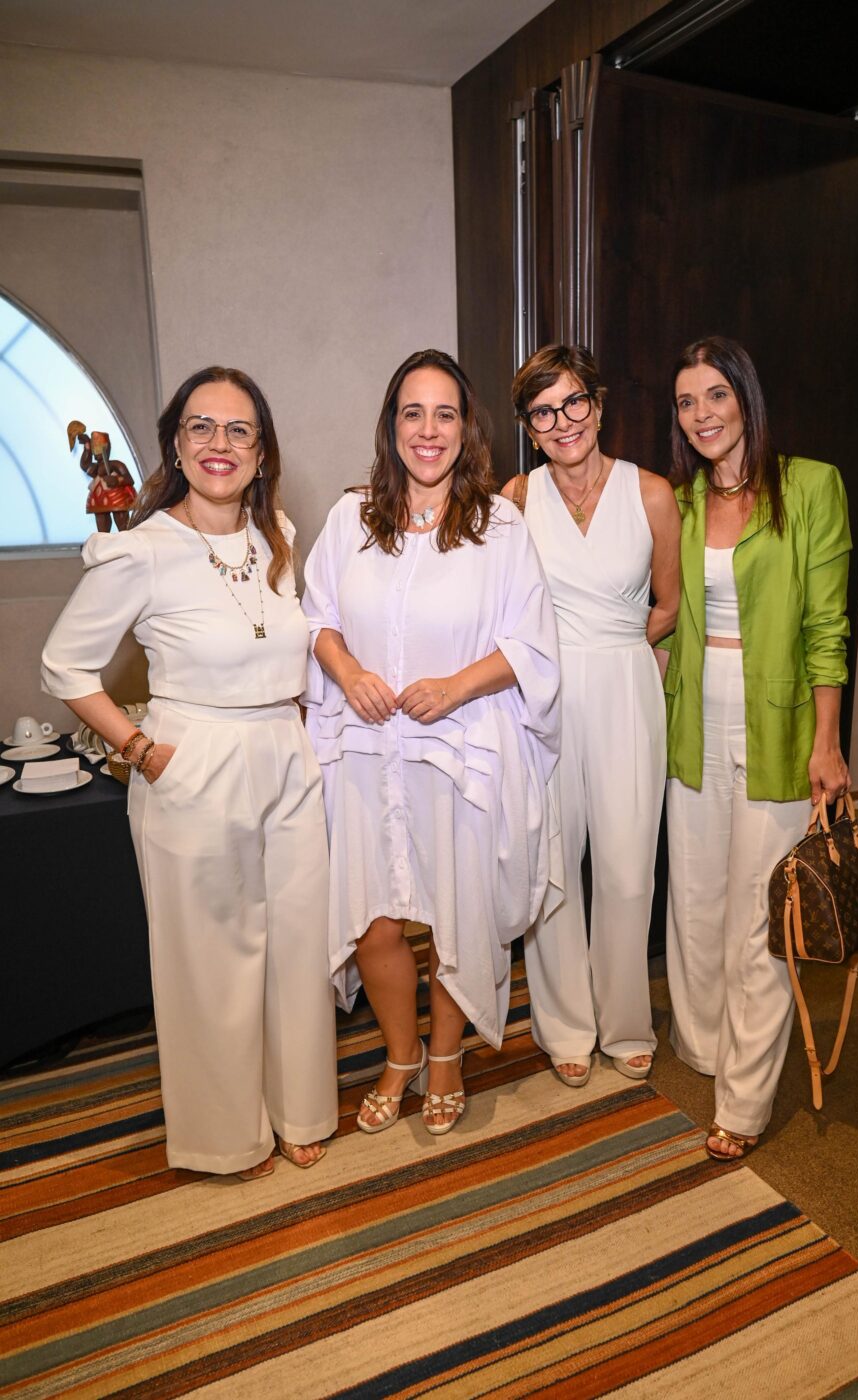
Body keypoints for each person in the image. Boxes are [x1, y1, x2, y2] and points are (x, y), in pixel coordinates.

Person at [42, 366, 337, 1180]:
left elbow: (295, 647)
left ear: (261, 448)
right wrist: (138, 751)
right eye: (201, 427)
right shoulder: (140, 549)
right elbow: (65, 668)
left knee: (295, 939)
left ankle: (301, 1107)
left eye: (238, 430)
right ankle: (224, 1135)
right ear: (175, 442)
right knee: (210, 958)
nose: (220, 444)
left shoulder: (277, 533)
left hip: (285, 752)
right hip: (191, 758)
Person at [302, 348, 561, 1137]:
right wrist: (345, 671)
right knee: (374, 916)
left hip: (459, 749)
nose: (428, 429)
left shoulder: (500, 524)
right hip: (366, 750)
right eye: (411, 412)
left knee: (453, 911)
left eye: (443, 413)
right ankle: (401, 1052)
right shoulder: (350, 519)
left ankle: (447, 1057)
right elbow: (313, 616)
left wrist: (452, 687)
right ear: (391, 426)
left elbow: (532, 641)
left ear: (465, 426)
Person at [661, 336, 851, 1160]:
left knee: (757, 912)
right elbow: (662, 613)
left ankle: (742, 1099)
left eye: (714, 396)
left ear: (745, 398)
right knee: (696, 902)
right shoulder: (681, 500)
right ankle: (704, 1051)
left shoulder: (810, 486)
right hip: (692, 719)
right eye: (684, 401)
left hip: (777, 723)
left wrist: (828, 741)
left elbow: (826, 629)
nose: (699, 414)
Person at [504, 344, 681, 1087]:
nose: (562, 421)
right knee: (552, 865)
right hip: (540, 699)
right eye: (543, 411)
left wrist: (614, 653)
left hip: (623, 690)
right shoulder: (513, 498)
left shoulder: (651, 494)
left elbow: (667, 606)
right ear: (530, 428)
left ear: (598, 406)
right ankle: (566, 1026)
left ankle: (624, 1022)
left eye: (573, 402)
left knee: (626, 865)